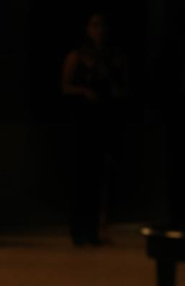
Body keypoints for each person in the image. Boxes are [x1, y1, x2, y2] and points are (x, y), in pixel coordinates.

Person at [61, 12, 128, 246]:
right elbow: (66, 86)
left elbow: (120, 86)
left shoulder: (111, 57)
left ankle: (96, 228)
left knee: (100, 176)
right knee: (82, 175)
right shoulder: (77, 56)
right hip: (83, 123)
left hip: (103, 121)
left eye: (102, 25)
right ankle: (79, 229)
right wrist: (84, 92)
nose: (99, 30)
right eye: (95, 25)